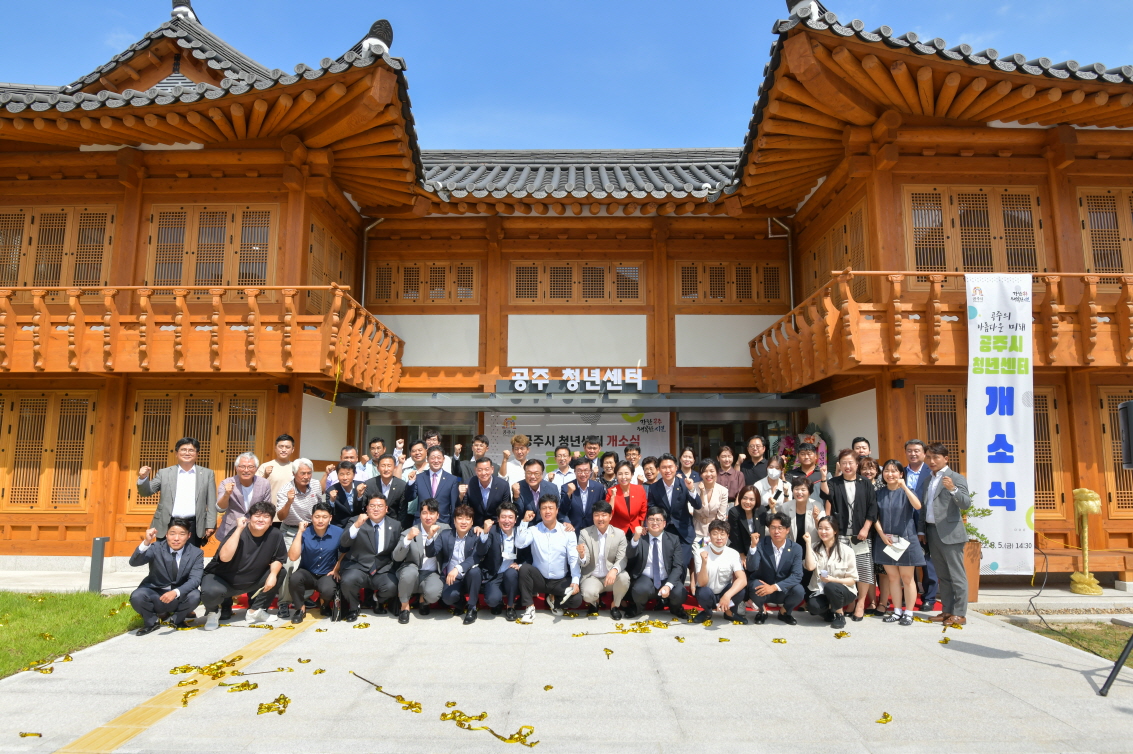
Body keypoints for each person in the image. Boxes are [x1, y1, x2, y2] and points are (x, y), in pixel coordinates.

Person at [200, 501, 286, 630]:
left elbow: (278, 558)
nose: (261, 519)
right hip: (222, 580)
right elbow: (224, 557)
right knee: (209, 592)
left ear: (271, 521)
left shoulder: (275, 534)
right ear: (249, 518)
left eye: (266, 516)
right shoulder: (237, 532)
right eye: (257, 516)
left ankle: (255, 611)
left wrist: (273, 575)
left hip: (250, 580)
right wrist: (239, 529)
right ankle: (213, 612)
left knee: (280, 572)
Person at [822, 449, 878, 621]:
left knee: (863, 569)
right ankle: (850, 600)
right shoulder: (834, 482)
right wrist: (823, 477)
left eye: (850, 463)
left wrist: (866, 528)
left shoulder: (865, 483)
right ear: (839, 464)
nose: (847, 466)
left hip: (861, 534)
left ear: (857, 464)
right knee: (843, 569)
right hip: (841, 534)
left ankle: (860, 602)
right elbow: (826, 494)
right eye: (844, 463)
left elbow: (873, 507)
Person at [921, 443, 971, 624]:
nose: (932, 461)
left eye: (936, 457)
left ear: (946, 458)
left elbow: (966, 504)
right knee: (943, 576)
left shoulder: (956, 478)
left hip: (950, 533)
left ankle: (960, 613)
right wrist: (922, 530)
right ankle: (947, 611)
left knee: (957, 575)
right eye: (929, 457)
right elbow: (924, 508)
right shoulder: (928, 480)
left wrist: (953, 489)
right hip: (932, 532)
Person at [137, 437, 217, 547]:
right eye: (183, 450)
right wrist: (143, 478)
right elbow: (146, 492)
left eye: (191, 450)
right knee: (164, 555)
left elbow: (212, 502)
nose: (187, 453)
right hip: (167, 522)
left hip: (193, 524)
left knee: (190, 556)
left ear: (197, 454)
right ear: (176, 453)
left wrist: (211, 524)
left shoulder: (207, 474)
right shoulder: (164, 473)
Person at [515, 495, 583, 623]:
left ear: (557, 510)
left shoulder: (567, 531)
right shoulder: (534, 530)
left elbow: (573, 558)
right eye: (544, 508)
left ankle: (553, 599)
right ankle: (529, 607)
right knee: (525, 569)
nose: (547, 511)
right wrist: (524, 522)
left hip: (559, 580)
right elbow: (519, 544)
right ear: (539, 511)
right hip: (540, 579)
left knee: (576, 600)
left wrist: (575, 580)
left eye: (551, 508)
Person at [129, 518, 203, 634]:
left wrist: (176, 592)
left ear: (189, 535)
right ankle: (151, 622)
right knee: (137, 596)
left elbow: (195, 579)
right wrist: (146, 542)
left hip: (179, 596)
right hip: (156, 594)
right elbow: (134, 562)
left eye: (182, 534)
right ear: (166, 534)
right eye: (172, 534)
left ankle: (177, 620)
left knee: (195, 595)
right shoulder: (156, 547)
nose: (176, 538)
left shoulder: (196, 553)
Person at [873, 459, 925, 625]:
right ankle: (896, 611)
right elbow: (874, 516)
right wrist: (881, 535)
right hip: (886, 540)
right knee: (893, 577)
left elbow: (918, 506)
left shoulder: (907, 490)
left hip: (905, 540)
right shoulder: (879, 493)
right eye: (887, 471)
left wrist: (904, 487)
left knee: (907, 578)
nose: (890, 474)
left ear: (901, 474)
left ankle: (908, 612)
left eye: (894, 471)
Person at [339, 493, 403, 621]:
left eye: (380, 506)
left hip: (382, 568)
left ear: (386, 509)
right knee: (347, 581)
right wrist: (357, 525)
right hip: (358, 566)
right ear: (367, 508)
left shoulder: (395, 525)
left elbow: (397, 551)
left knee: (391, 586)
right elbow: (344, 543)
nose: (376, 509)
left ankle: (377, 600)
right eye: (372, 506)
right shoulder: (355, 520)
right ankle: (354, 607)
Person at [275, 458, 321, 620]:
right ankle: (283, 602)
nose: (306, 476)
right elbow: (281, 516)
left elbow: (320, 506)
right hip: (291, 530)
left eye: (309, 473)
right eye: (302, 473)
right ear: (294, 473)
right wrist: (289, 502)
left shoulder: (316, 485)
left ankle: (303, 597)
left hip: (312, 530)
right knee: (289, 565)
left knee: (311, 563)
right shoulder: (285, 490)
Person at [284, 502, 343, 623]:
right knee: (295, 578)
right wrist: (300, 532)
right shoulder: (305, 532)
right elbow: (293, 557)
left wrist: (337, 568)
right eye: (317, 517)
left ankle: (324, 604)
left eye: (324, 517)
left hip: (327, 573)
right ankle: (300, 609)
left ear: (330, 518)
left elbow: (345, 552)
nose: (320, 520)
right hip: (308, 572)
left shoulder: (339, 532)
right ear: (311, 517)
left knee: (328, 590)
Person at [426, 504, 485, 624]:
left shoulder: (476, 535)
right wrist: (430, 536)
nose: (463, 522)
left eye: (467, 519)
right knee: (447, 598)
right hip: (452, 579)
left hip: (470, 577)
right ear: (454, 521)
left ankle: (472, 608)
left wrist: (458, 568)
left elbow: (475, 558)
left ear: (472, 522)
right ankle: (461, 603)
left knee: (475, 571)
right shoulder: (445, 535)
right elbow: (431, 552)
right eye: (460, 518)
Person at [626, 507, 688, 620]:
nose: (655, 523)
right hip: (646, 578)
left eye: (658, 520)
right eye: (651, 519)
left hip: (666, 577)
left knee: (680, 592)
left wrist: (668, 585)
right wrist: (635, 538)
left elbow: (678, 566)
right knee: (639, 590)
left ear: (664, 523)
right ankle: (638, 607)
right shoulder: (640, 537)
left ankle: (675, 608)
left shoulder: (673, 540)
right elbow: (629, 555)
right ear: (646, 522)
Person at [392, 499, 450, 620]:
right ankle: (404, 606)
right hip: (412, 570)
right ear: (420, 514)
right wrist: (408, 538)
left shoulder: (445, 530)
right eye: (424, 513)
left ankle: (423, 598)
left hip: (432, 573)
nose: (428, 517)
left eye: (432, 513)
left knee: (433, 594)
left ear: (438, 515)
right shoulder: (410, 531)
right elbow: (396, 557)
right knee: (410, 572)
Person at [647, 453, 702, 580]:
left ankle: (677, 589)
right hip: (664, 531)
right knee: (667, 564)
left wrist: (691, 489)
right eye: (664, 467)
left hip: (683, 531)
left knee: (682, 564)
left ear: (676, 468)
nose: (667, 470)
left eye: (670, 467)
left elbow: (698, 505)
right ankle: (668, 590)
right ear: (659, 469)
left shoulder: (684, 484)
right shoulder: (654, 487)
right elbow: (652, 508)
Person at [745, 512, 805, 625]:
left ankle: (785, 612)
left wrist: (774, 587)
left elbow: (797, 575)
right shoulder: (761, 544)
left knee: (799, 590)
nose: (776, 531)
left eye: (780, 528)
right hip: (764, 587)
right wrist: (753, 546)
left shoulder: (796, 548)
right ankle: (762, 611)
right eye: (773, 528)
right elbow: (752, 567)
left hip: (783, 588)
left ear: (787, 530)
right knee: (754, 585)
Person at [803, 515, 859, 629]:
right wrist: (808, 544)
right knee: (813, 607)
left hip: (844, 591)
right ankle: (829, 612)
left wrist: (833, 580)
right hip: (821, 591)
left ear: (835, 531)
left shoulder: (847, 551)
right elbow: (810, 567)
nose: (823, 532)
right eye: (820, 528)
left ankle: (839, 615)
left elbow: (852, 580)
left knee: (831, 586)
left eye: (827, 529)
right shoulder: (814, 547)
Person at [577, 500, 630, 619]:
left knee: (624, 578)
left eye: (604, 515)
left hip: (611, 577)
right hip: (593, 576)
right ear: (593, 517)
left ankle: (614, 605)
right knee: (588, 594)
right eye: (596, 515)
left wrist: (614, 570)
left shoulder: (619, 534)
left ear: (610, 517)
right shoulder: (585, 533)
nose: (600, 518)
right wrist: (582, 555)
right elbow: (584, 563)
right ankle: (595, 601)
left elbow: (622, 558)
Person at [477, 501, 527, 620]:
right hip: (494, 573)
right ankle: (498, 602)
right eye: (503, 517)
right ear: (498, 519)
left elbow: (528, 555)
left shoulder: (520, 533)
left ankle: (510, 606)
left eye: (510, 517)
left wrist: (520, 565)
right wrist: (485, 532)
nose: (507, 520)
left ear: (515, 520)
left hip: (511, 572)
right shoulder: (492, 531)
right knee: (491, 600)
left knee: (511, 573)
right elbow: (480, 551)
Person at [692, 519, 747, 624]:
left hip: (724, 592)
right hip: (708, 593)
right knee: (703, 592)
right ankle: (707, 612)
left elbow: (743, 579)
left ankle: (729, 613)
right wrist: (704, 563)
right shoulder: (700, 552)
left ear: (727, 536)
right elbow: (702, 583)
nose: (719, 537)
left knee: (741, 590)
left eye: (722, 534)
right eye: (715, 534)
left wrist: (727, 596)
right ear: (709, 535)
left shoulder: (733, 553)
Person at [905, 439, 937, 610]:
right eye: (909, 450)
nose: (913, 454)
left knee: (927, 562)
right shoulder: (900, 472)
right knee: (905, 562)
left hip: (925, 522)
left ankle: (929, 598)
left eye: (917, 451)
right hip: (904, 524)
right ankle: (908, 595)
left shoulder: (931, 472)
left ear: (924, 453)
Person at [216, 452, 272, 541]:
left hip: (255, 530)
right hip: (230, 530)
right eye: (242, 466)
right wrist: (227, 494)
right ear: (236, 468)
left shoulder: (264, 484)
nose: (246, 470)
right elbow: (220, 508)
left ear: (256, 468)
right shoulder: (226, 483)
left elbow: (267, 509)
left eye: (250, 467)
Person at [413, 446, 461, 524]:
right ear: (427, 459)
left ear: (443, 459)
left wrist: (453, 526)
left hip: (443, 522)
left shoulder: (452, 479)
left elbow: (454, 506)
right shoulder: (419, 478)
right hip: (422, 522)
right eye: (433, 458)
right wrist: (410, 483)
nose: (436, 461)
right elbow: (410, 497)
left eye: (439, 458)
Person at [462, 456, 513, 525]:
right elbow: (464, 507)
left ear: (492, 469)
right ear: (475, 470)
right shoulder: (468, 484)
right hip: (475, 525)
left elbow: (506, 509)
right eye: (480, 470)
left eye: (486, 469)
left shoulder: (503, 485)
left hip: (496, 524)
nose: (483, 473)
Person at [563, 456, 607, 532]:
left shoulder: (599, 488)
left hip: (593, 530)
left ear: (591, 471)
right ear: (574, 471)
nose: (583, 474)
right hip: (573, 530)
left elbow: (602, 509)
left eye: (586, 471)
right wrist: (569, 494)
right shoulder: (566, 487)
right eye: (579, 471)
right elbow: (562, 511)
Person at [606, 460, 648, 537]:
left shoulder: (639, 489)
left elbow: (643, 510)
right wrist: (613, 497)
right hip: (617, 531)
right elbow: (609, 513)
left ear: (632, 475)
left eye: (626, 473)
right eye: (620, 474)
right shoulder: (611, 491)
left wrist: (641, 526)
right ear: (616, 475)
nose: (623, 477)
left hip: (636, 529)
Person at [367, 454, 411, 528]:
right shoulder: (369, 484)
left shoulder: (402, 485)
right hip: (372, 524)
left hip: (393, 524)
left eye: (389, 466)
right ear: (378, 468)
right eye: (383, 466)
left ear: (395, 468)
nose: (386, 469)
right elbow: (365, 506)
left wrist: (399, 528)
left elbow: (402, 511)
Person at [257, 434, 297, 511]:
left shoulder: (297, 467)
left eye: (287, 447)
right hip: (270, 512)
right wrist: (265, 475)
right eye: (281, 447)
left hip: (292, 512)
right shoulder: (265, 466)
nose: (284, 450)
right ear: (275, 448)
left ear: (292, 449)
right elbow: (255, 488)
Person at [692, 459, 728, 540]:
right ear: (700, 474)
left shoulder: (723, 491)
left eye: (712, 471)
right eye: (705, 471)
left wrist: (715, 533)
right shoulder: (694, 487)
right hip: (696, 529)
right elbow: (698, 510)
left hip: (715, 531)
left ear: (717, 472)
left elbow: (721, 516)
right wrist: (702, 492)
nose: (708, 474)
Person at [325, 460, 368, 528]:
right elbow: (329, 513)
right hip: (340, 526)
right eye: (341, 474)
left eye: (348, 474)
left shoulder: (362, 486)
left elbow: (365, 508)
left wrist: (359, 496)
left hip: (360, 524)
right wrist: (332, 501)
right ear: (337, 475)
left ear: (354, 475)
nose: (345, 478)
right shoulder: (330, 490)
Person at [727, 485, 765, 558]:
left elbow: (770, 523)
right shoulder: (734, 512)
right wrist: (741, 554)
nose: (747, 502)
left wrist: (772, 508)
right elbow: (735, 536)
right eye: (744, 498)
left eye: (751, 499)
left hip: (759, 549)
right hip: (739, 550)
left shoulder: (761, 510)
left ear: (756, 500)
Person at [789, 442, 825, 508]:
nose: (806, 457)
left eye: (809, 454)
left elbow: (829, 497)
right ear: (798, 457)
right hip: (796, 511)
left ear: (816, 456)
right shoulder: (790, 474)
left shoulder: (824, 474)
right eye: (802, 454)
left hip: (819, 510)